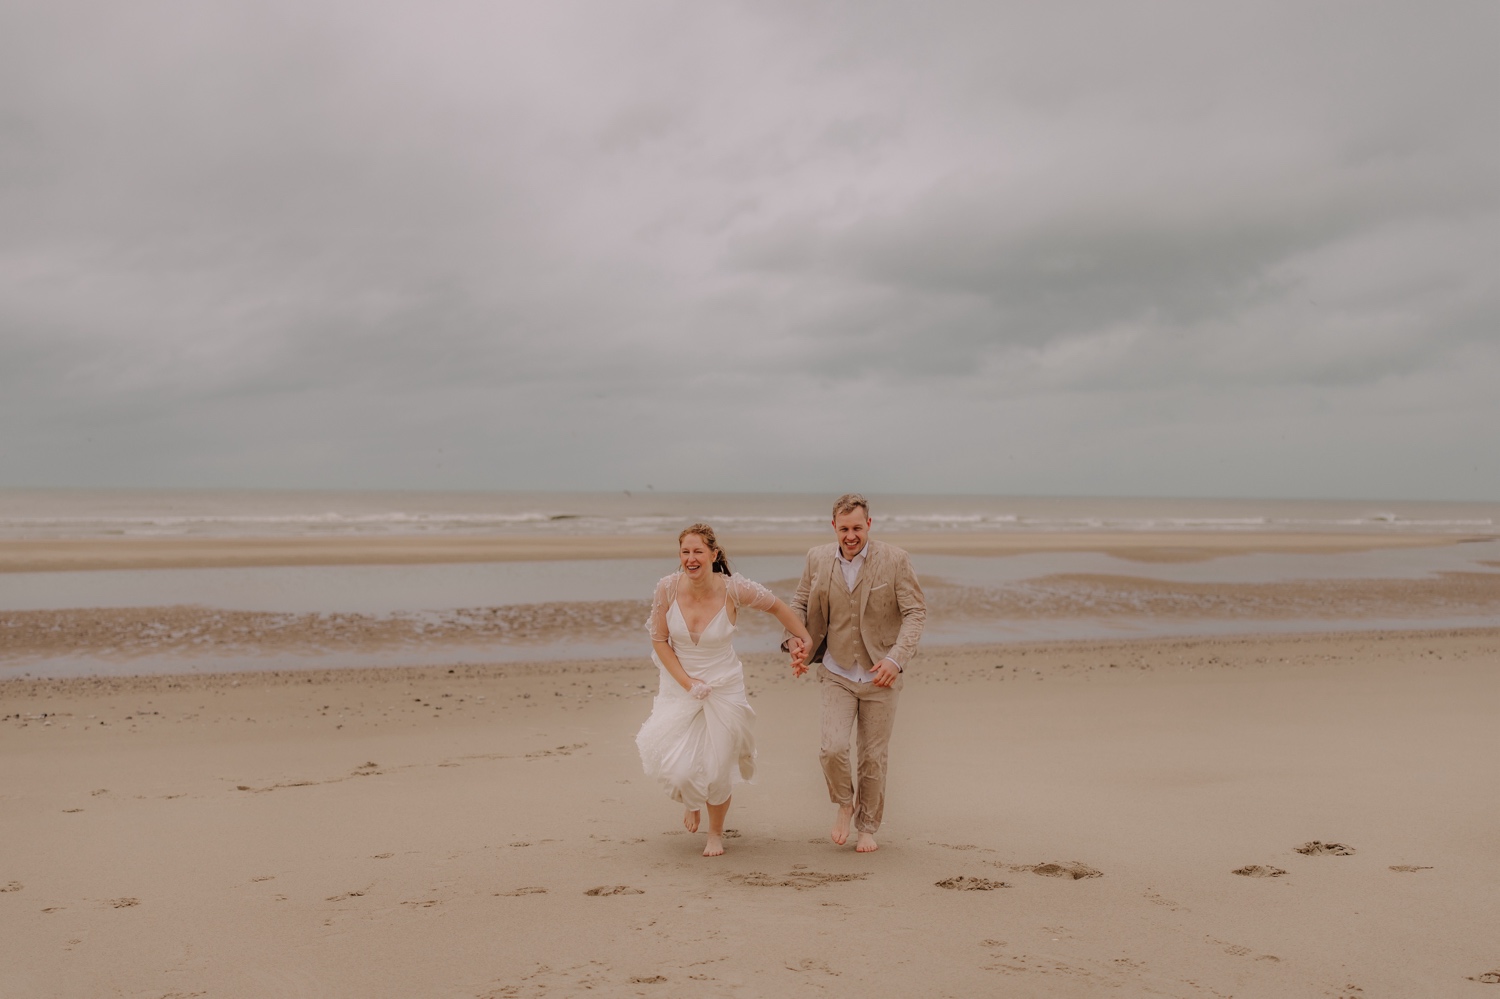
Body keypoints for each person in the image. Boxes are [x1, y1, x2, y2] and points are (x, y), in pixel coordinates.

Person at [636, 523, 812, 857]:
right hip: (681, 683)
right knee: (678, 771)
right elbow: (659, 640)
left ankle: (715, 833)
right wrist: (688, 684)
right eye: (685, 552)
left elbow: (777, 606)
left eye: (698, 551)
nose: (691, 558)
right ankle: (690, 801)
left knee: (717, 766)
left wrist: (805, 638)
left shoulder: (734, 590)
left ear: (713, 555)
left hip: (724, 686)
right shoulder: (667, 588)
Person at [786, 494, 926, 853]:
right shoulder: (816, 558)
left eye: (858, 528)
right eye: (844, 528)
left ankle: (867, 827)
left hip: (883, 675)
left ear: (870, 525)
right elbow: (800, 602)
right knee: (832, 749)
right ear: (834, 526)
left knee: (872, 757)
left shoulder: (896, 560)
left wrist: (895, 659)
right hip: (837, 670)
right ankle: (844, 804)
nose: (851, 536)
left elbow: (915, 612)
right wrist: (794, 639)